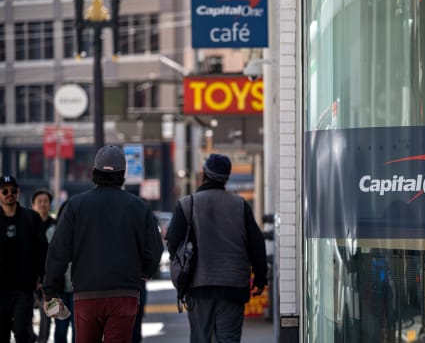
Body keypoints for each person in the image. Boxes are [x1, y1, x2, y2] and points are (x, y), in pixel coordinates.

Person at [43, 145, 164, 343]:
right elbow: (154, 249)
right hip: (125, 293)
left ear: (94, 171)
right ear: (123, 173)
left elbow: (58, 252)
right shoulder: (138, 207)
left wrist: (49, 291)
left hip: (86, 294)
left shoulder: (76, 205)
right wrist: (143, 273)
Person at [166, 153, 267, 343]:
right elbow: (257, 244)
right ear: (226, 177)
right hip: (233, 286)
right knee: (229, 338)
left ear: (204, 174)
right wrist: (260, 279)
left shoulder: (188, 204)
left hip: (198, 285)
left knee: (201, 338)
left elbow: (172, 243)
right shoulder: (240, 205)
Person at [0, 175, 48, 343]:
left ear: (18, 192)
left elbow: (43, 250)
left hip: (24, 288)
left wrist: (42, 277)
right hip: (1, 289)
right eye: (4, 191)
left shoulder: (31, 219)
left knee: (22, 332)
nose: (9, 194)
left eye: (13, 190)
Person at [30, 189, 56, 343]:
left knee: (46, 316)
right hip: (29, 278)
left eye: (45, 201)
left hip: (49, 279)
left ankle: (42, 341)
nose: (43, 204)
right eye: (39, 201)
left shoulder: (56, 225)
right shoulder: (27, 223)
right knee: (24, 316)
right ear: (33, 205)